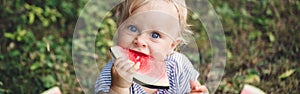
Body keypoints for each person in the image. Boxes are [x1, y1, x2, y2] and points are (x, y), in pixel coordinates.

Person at [95, 0, 209, 94]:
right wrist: (119, 87)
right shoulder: (111, 76)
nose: (140, 40)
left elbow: (191, 89)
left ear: (172, 46)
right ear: (119, 29)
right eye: (132, 28)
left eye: (155, 35)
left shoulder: (179, 67)